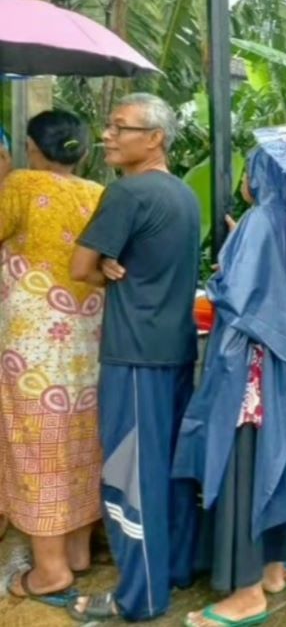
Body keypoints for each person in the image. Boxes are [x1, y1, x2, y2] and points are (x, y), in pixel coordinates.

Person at [171, 149, 286, 627]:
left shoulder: (260, 221)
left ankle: (246, 593)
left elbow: (238, 296)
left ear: (262, 175)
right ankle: (271, 568)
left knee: (244, 471)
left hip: (251, 372)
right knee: (279, 465)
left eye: (250, 169)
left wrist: (224, 265)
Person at [68, 93, 200, 622]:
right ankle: (177, 568)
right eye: (109, 126)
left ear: (155, 138)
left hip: (134, 355)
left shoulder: (127, 194)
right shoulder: (183, 195)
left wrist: (104, 269)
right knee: (169, 469)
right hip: (174, 349)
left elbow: (80, 267)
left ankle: (141, 596)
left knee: (131, 475)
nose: (108, 135)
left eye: (121, 128)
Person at [0, 111, 104, 606]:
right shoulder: (97, 192)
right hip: (87, 341)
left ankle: (50, 569)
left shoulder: (19, 185)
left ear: (31, 147)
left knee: (34, 447)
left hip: (32, 347)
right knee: (79, 443)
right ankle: (78, 552)